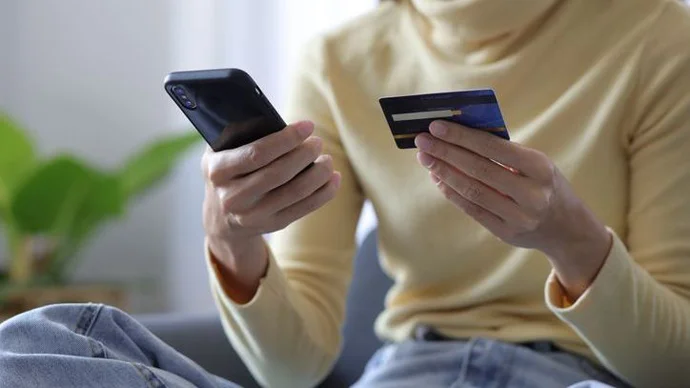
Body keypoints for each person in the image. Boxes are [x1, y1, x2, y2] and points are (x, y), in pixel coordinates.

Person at [2, 0, 690, 387]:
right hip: (405, 374)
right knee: (34, 341)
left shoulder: (659, 36)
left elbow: (672, 367)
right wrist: (231, 241)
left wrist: (573, 243)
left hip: (577, 380)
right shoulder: (338, 60)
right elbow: (294, 369)